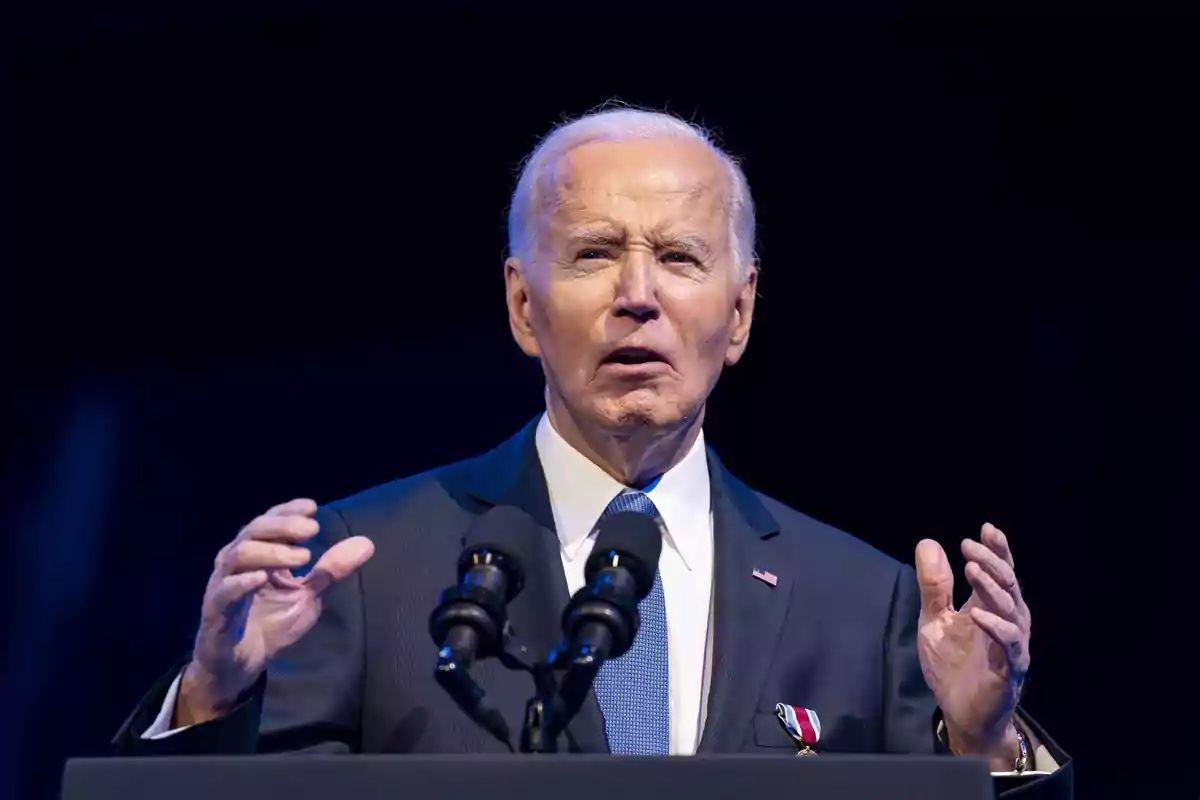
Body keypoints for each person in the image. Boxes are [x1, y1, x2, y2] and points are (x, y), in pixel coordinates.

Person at [115, 106, 1069, 797]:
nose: (638, 295)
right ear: (524, 307)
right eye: (594, 253)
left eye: (681, 258)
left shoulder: (865, 605)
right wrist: (212, 697)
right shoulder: (365, 570)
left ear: (738, 315)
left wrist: (984, 744)